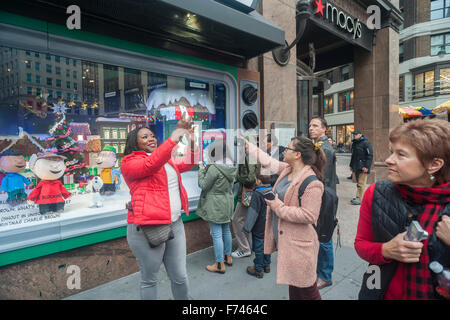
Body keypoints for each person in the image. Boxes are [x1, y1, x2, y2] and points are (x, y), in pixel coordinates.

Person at [355, 118, 450, 300]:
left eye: (401, 155)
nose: (389, 160)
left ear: (434, 164)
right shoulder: (375, 193)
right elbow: (361, 245)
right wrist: (386, 250)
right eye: (392, 152)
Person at [121, 114, 199, 300]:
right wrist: (177, 133)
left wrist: (192, 142)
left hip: (175, 224)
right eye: (145, 137)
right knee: (150, 279)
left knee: (180, 276)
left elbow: (189, 163)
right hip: (148, 228)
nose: (151, 139)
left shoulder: (165, 160)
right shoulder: (129, 162)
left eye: (153, 136)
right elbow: (150, 164)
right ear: (134, 142)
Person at [244, 135, 326, 300]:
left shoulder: (312, 182)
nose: (284, 150)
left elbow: (309, 215)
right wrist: (249, 147)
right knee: (294, 290)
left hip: (300, 247)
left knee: (308, 292)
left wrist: (277, 206)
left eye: (288, 148)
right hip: (287, 242)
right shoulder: (287, 169)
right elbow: (268, 161)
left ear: (297, 155)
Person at [196, 140, 237, 274]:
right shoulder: (231, 166)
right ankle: (228, 256)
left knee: (216, 234)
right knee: (226, 230)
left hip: (215, 203)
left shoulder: (214, 168)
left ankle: (219, 264)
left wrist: (201, 171)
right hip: (228, 201)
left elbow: (203, 185)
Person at [309, 116, 338, 290]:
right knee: (319, 237)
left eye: (315, 125)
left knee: (324, 238)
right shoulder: (318, 146)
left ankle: (325, 276)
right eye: (310, 125)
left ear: (324, 129)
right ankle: (320, 270)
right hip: (323, 195)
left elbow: (322, 177)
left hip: (325, 198)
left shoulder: (324, 149)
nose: (311, 128)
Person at [242, 169, 273, 278]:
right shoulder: (272, 191)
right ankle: (267, 265)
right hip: (269, 226)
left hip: (259, 227)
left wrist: (246, 228)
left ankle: (258, 269)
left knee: (259, 248)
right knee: (268, 245)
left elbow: (253, 213)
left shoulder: (257, 194)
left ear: (259, 181)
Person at [231, 137, 258, 259]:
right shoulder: (252, 156)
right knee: (244, 220)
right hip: (251, 193)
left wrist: (237, 178)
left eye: (244, 146)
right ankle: (248, 246)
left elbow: (250, 179)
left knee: (236, 219)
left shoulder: (250, 157)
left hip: (248, 193)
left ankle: (244, 248)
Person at [349, 129, 373, 205]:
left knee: (361, 183)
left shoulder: (366, 143)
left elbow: (370, 155)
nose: (354, 135)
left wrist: (366, 166)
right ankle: (358, 196)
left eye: (356, 134)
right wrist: (351, 165)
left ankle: (360, 199)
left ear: (360, 135)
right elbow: (353, 156)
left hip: (363, 166)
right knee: (358, 183)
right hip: (356, 166)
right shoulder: (354, 143)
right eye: (354, 134)